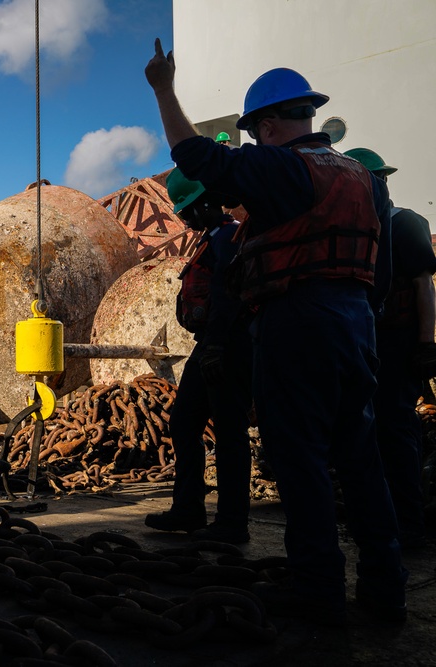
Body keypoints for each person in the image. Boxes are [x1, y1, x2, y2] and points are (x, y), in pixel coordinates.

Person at [145, 40, 406, 625]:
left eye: (257, 133)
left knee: (300, 456)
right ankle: (385, 589)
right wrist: (358, 316)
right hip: (355, 321)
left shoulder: (285, 166)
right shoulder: (365, 179)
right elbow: (380, 269)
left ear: (267, 126)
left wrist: (163, 87)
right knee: (361, 459)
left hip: (296, 322)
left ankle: (317, 586)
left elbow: (198, 158)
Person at [145, 169, 253, 544]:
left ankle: (231, 522)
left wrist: (219, 347)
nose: (185, 219)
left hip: (228, 344)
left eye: (190, 209)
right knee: (184, 421)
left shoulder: (228, 237)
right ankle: (188, 508)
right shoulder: (212, 238)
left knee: (228, 431)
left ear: (209, 203)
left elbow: (228, 294)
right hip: (210, 343)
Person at [345, 147, 436, 549]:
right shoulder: (361, 229)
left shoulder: (404, 224)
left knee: (397, 430)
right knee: (368, 432)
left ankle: (409, 524)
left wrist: (426, 344)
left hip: (399, 346)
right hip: (367, 344)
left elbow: (423, 286)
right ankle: (379, 519)